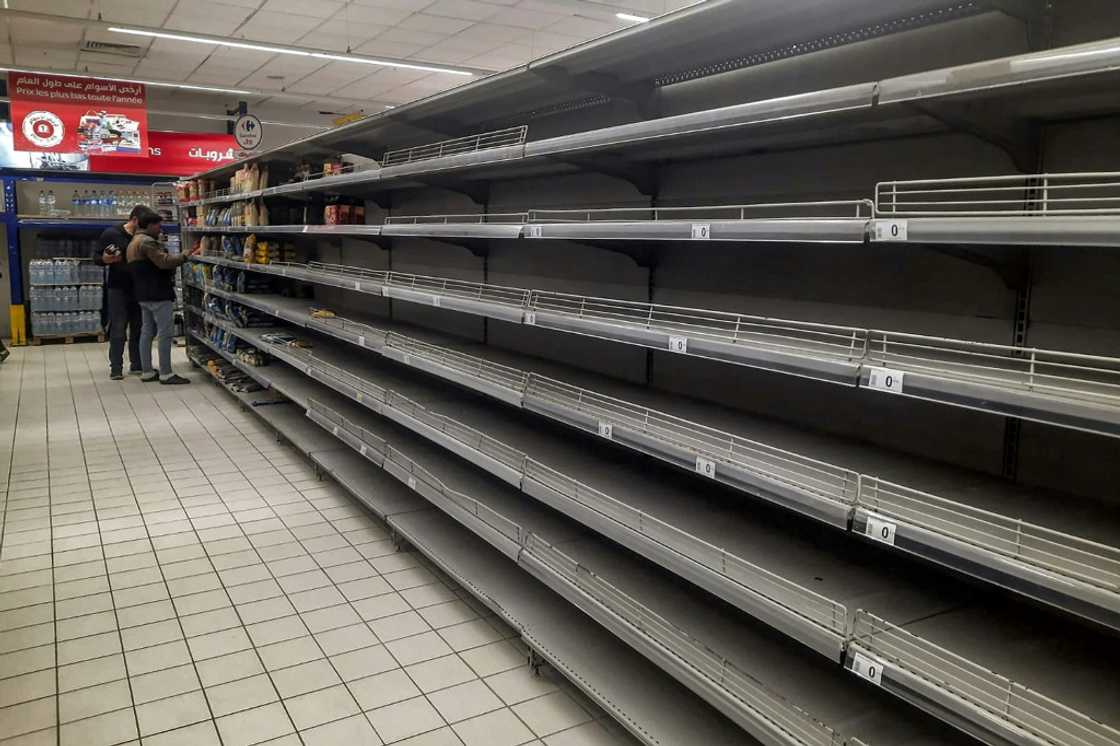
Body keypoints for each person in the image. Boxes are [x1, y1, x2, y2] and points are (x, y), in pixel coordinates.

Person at [126, 208, 197, 385]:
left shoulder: (133, 242)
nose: (160, 229)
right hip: (157, 293)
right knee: (165, 334)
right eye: (158, 225)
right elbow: (164, 262)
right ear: (149, 225)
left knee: (147, 332)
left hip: (143, 294)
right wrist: (185, 256)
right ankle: (166, 373)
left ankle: (147, 371)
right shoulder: (147, 242)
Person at [94, 205, 145, 379]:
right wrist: (105, 259)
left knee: (138, 327)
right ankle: (116, 368)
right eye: (143, 223)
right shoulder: (111, 233)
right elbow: (96, 257)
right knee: (118, 329)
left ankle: (137, 364)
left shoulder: (142, 236)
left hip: (139, 288)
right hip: (118, 288)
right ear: (135, 220)